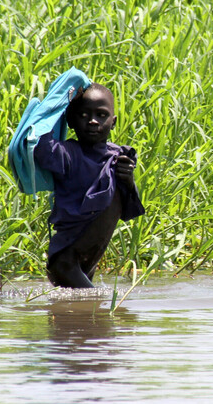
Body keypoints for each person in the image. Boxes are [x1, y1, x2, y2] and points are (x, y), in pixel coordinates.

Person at [33, 83, 145, 288]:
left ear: (113, 122)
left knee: (77, 316)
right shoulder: (67, 154)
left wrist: (128, 180)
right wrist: (56, 104)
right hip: (66, 261)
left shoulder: (119, 156)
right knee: (95, 307)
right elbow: (41, 147)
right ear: (71, 120)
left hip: (88, 261)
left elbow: (129, 209)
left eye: (101, 115)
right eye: (84, 115)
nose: (93, 121)